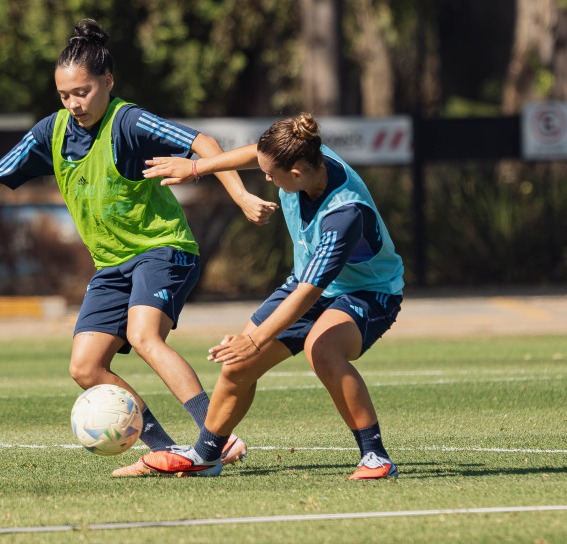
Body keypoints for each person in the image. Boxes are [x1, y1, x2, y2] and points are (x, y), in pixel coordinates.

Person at [0, 19, 277, 477]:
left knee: (144, 336)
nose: (73, 103)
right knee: (85, 368)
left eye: (82, 92)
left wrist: (240, 195)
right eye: (64, 95)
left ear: (107, 82)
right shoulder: (52, 131)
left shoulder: (128, 121)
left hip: (164, 248)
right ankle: (167, 449)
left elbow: (203, 143)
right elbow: (0, 171)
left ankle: (213, 438)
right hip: (111, 266)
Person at [139, 113, 404, 479]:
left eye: (270, 174)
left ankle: (376, 457)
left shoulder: (344, 214)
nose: (265, 178)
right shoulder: (308, 155)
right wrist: (197, 167)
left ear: (296, 173)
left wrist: (255, 339)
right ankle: (207, 455)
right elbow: (257, 154)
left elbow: (310, 293)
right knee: (238, 367)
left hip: (370, 292)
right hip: (305, 283)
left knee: (321, 349)